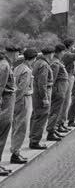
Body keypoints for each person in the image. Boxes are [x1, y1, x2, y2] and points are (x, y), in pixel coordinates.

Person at [10, 48, 36, 163]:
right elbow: (22, 88)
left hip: (15, 99)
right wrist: (18, 101)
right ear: (33, 58)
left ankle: (14, 150)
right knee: (22, 127)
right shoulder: (27, 70)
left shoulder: (17, 67)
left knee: (16, 127)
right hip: (23, 99)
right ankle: (16, 153)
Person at [29, 46, 54, 149]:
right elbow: (42, 82)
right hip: (42, 93)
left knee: (35, 116)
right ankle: (35, 141)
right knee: (41, 117)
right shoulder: (44, 65)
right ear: (50, 54)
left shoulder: (38, 62)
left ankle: (32, 138)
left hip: (36, 93)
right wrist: (45, 98)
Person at [0, 45, 18, 176]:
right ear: (13, 53)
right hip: (5, 103)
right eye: (18, 53)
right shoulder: (4, 65)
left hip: (8, 100)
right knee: (2, 132)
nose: (18, 56)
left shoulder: (5, 64)